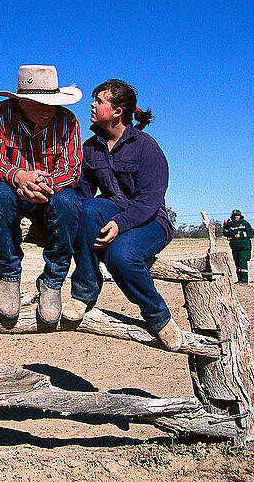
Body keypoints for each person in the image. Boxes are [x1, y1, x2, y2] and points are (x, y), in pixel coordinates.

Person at [63, 80, 183, 351]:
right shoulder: (91, 147)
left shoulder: (146, 146)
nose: (92, 104)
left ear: (118, 111)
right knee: (89, 208)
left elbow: (149, 201)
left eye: (99, 101)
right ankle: (83, 294)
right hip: (114, 211)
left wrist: (119, 223)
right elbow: (83, 191)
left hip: (151, 221)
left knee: (121, 257)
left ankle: (159, 317)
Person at [0, 65, 82, 325]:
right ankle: (8, 274)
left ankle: (52, 281)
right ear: (22, 102)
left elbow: (72, 168)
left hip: (51, 191)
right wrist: (19, 176)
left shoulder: (68, 121)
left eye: (52, 102)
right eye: (41, 103)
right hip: (11, 186)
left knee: (69, 204)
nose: (49, 109)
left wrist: (42, 182)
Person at [223, 209, 254, 284]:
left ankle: (244, 280)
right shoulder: (231, 224)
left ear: (240, 216)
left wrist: (241, 235)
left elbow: (251, 233)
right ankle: (240, 280)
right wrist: (225, 226)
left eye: (237, 216)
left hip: (244, 246)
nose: (235, 217)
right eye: (234, 216)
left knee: (242, 261)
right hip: (235, 247)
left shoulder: (244, 223)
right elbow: (226, 234)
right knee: (237, 263)